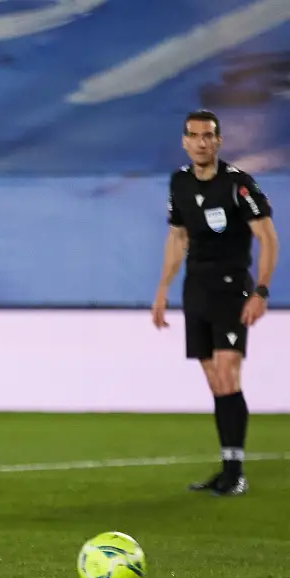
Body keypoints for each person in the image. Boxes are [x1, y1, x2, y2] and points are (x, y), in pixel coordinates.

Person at [152, 109, 278, 497]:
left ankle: (235, 470)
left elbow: (268, 238)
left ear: (219, 141)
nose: (201, 142)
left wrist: (260, 291)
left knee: (227, 374)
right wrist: (162, 290)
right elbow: (178, 237)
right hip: (197, 290)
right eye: (194, 135)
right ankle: (226, 467)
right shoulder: (179, 183)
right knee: (213, 380)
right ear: (184, 141)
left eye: (208, 136)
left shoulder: (238, 185)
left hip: (231, 288)